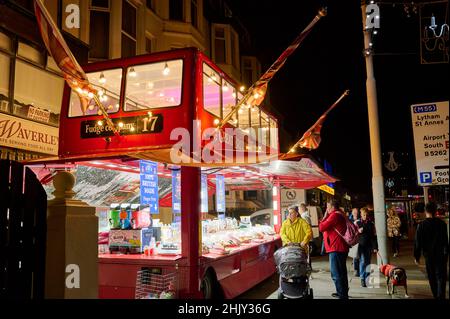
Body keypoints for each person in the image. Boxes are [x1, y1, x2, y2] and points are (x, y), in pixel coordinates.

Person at [414, 202, 449, 299]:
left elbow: (418, 242)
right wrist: (447, 253)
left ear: (425, 211)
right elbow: (445, 240)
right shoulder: (442, 224)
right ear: (435, 211)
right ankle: (441, 296)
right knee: (441, 277)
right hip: (441, 255)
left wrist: (417, 256)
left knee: (432, 277)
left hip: (428, 256)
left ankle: (436, 296)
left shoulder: (421, 225)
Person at [319, 199, 349, 299]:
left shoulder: (334, 215)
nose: (326, 209)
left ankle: (342, 295)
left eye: (328, 207)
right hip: (340, 247)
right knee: (341, 272)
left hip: (336, 248)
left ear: (332, 207)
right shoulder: (340, 214)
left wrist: (324, 217)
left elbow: (321, 227)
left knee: (336, 273)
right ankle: (341, 292)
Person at [355, 207, 378, 287]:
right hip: (360, 246)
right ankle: (362, 278)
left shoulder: (371, 224)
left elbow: (374, 236)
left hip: (368, 245)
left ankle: (367, 277)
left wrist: (375, 247)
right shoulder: (357, 223)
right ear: (361, 214)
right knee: (363, 261)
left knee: (368, 262)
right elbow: (352, 233)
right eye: (363, 214)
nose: (365, 216)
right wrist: (358, 231)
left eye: (366, 215)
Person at [349, 208, 360, 276]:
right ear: (352, 212)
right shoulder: (349, 220)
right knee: (355, 256)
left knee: (360, 256)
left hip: (360, 239)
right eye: (354, 212)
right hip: (354, 240)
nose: (355, 213)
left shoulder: (360, 219)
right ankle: (356, 270)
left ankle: (360, 269)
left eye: (356, 212)